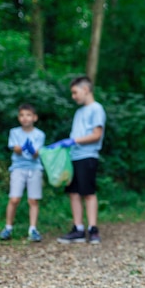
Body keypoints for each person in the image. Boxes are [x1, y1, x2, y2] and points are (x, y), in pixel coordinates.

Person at [48, 76, 106, 244]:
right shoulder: (78, 112)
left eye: (75, 92)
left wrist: (73, 141)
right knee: (73, 192)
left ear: (86, 90)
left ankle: (93, 229)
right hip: (73, 156)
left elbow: (97, 135)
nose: (73, 96)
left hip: (88, 156)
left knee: (88, 192)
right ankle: (78, 229)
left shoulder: (96, 109)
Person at [0, 103, 46, 242]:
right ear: (19, 118)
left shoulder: (39, 134)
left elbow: (37, 154)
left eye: (28, 115)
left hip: (35, 169)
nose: (25, 118)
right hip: (18, 168)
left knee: (33, 200)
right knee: (14, 199)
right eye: (22, 115)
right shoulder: (14, 132)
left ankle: (33, 229)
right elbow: (15, 149)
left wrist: (32, 150)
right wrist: (21, 148)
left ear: (34, 117)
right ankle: (8, 227)